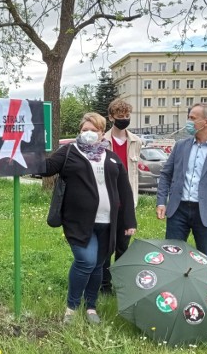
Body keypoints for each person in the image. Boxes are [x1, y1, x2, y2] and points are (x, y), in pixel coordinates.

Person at [45, 112, 137, 324]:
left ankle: (91, 307)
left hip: (107, 223)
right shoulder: (69, 152)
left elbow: (124, 190)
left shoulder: (111, 157)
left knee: (97, 266)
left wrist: (129, 221)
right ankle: (72, 307)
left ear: (101, 132)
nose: (88, 134)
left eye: (93, 130)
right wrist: (26, 154)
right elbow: (47, 168)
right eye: (84, 130)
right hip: (79, 222)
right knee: (86, 261)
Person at [156, 102, 207, 259]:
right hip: (178, 210)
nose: (188, 122)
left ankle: (206, 284)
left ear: (206, 122)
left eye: (192, 118)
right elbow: (166, 174)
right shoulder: (180, 146)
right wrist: (161, 202)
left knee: (206, 258)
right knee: (172, 255)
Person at [100, 98, 142, 293]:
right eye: (120, 116)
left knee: (123, 246)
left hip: (127, 202)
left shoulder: (136, 142)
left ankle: (121, 285)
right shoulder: (102, 142)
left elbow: (134, 173)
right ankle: (104, 285)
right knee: (106, 246)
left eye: (127, 116)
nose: (124, 119)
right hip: (107, 200)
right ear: (111, 117)